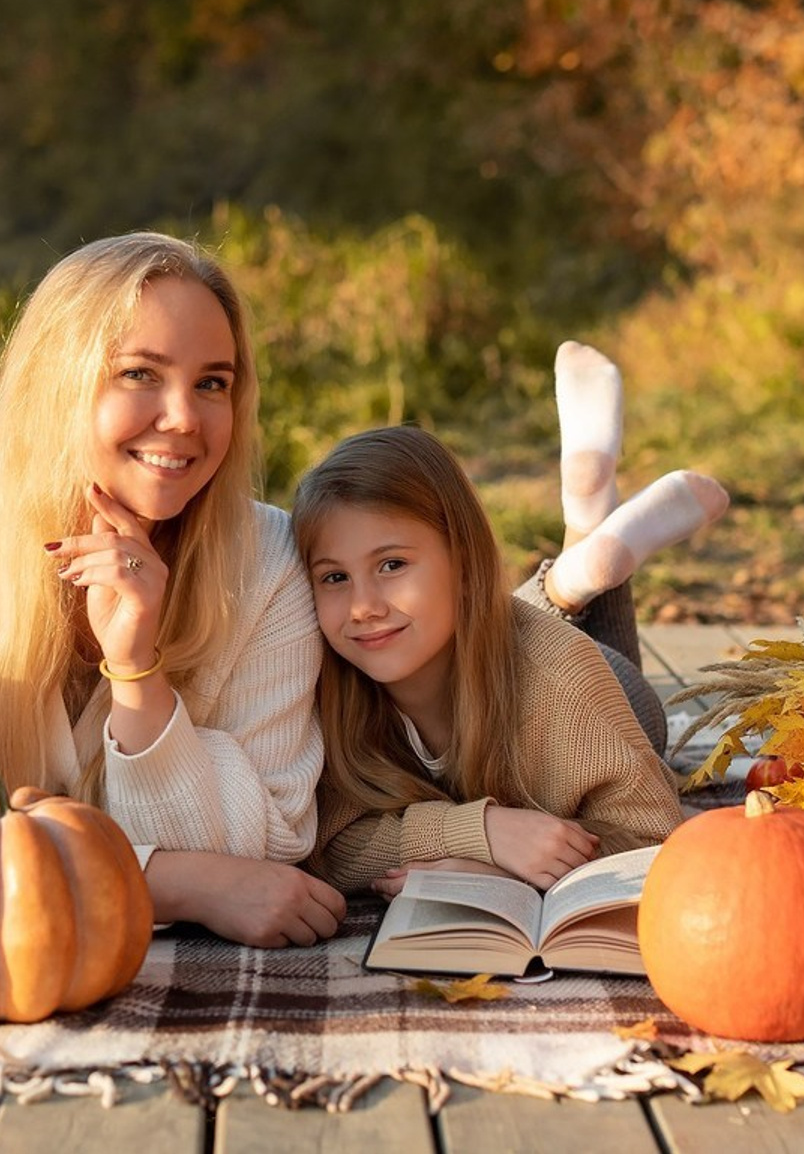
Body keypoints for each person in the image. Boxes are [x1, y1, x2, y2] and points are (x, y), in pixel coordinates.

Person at [0, 231, 346, 948]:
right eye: (139, 373)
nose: (184, 418)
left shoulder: (268, 560)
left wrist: (137, 672)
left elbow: (273, 841)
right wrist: (174, 881)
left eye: (212, 383)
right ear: (54, 381)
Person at [292, 360, 726, 897]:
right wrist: (483, 832)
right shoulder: (328, 682)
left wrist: (501, 871)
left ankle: (584, 540)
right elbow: (330, 845)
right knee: (496, 622)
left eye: (392, 565)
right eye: (334, 577)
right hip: (492, 639)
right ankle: (584, 543)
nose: (362, 608)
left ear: (464, 559)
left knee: (555, 646)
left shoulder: (565, 683)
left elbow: (654, 840)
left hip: (605, 690)